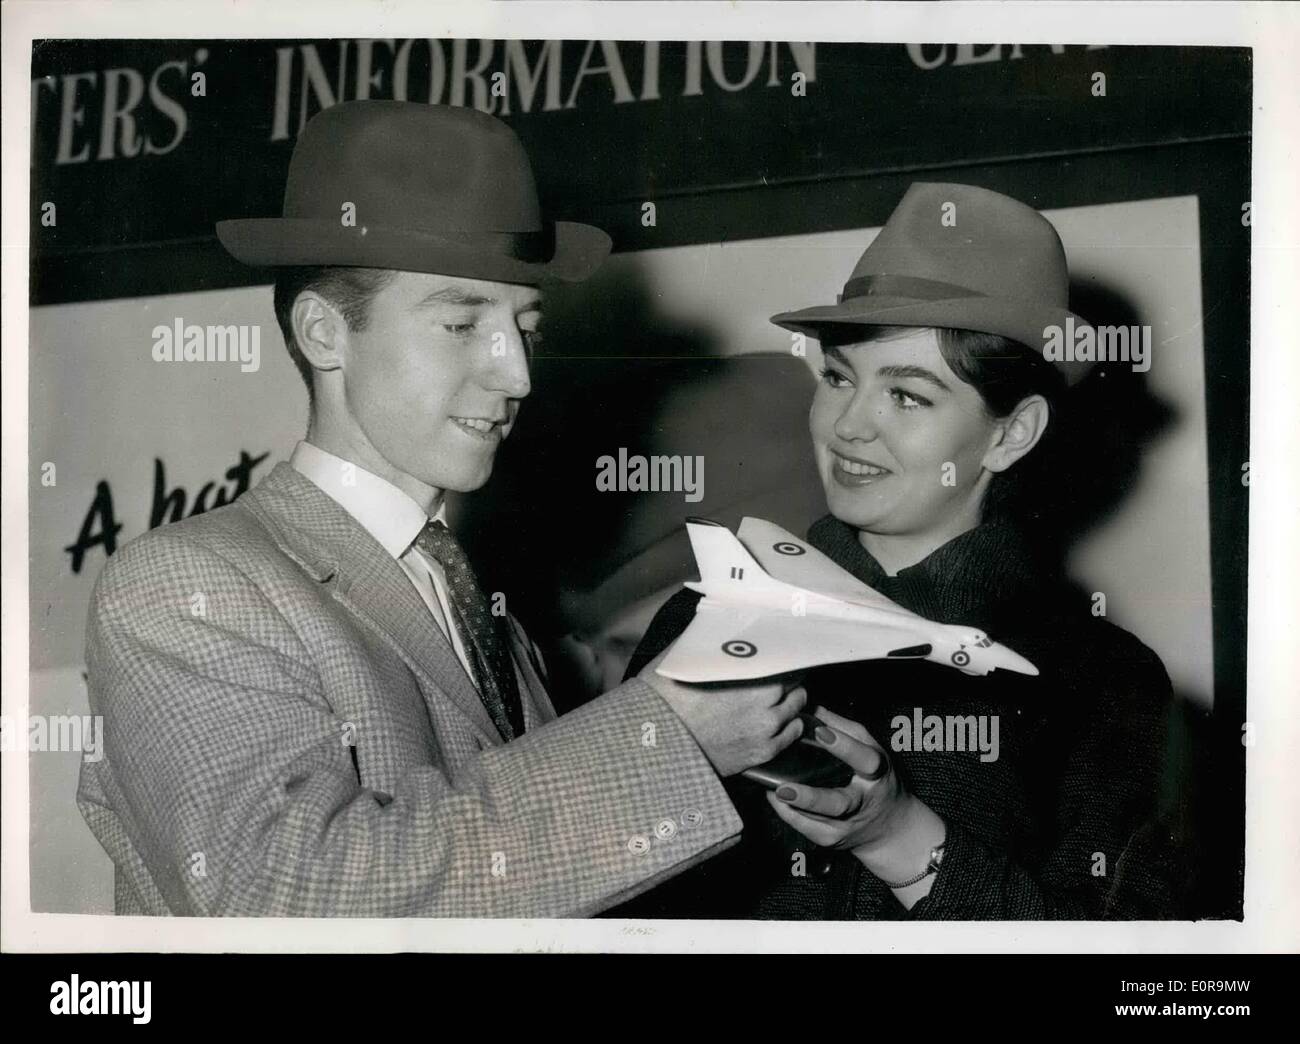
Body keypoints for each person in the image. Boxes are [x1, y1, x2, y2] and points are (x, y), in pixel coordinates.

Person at [77, 101, 808, 917]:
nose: (518, 375)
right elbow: (283, 897)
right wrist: (666, 744)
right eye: (463, 324)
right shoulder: (183, 586)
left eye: (526, 326)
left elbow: (513, 886)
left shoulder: (487, 611)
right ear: (324, 334)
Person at [621, 182, 1185, 919]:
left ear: (1012, 433)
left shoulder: (1104, 682)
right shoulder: (702, 621)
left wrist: (896, 833)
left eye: (907, 395)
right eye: (838, 378)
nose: (847, 426)